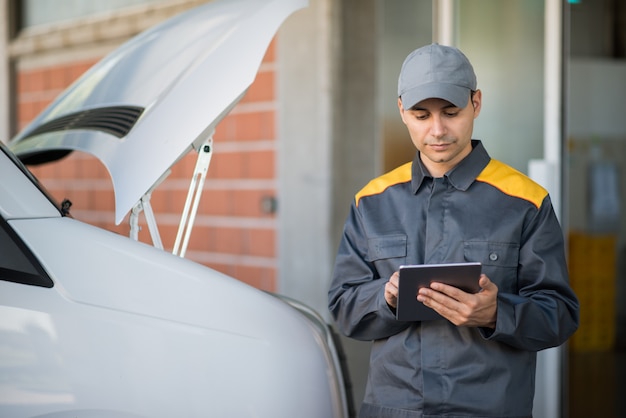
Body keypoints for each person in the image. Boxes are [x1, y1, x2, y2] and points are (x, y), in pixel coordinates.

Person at [328, 43, 579, 418]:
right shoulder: (372, 201)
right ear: (401, 111)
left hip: (491, 409)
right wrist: (386, 297)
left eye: (451, 112)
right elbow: (342, 307)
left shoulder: (526, 201)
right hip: (394, 408)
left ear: (476, 103)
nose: (437, 130)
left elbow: (559, 314)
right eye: (420, 115)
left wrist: (498, 313)